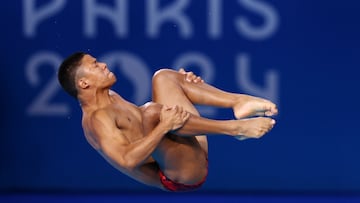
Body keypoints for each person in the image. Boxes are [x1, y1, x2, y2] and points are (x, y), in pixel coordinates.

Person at [57, 52, 278, 192]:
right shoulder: (95, 120)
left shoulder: (111, 97)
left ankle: (238, 102)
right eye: (95, 65)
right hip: (179, 175)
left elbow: (147, 126)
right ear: (84, 83)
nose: (103, 64)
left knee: (164, 77)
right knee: (152, 113)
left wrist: (184, 85)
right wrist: (164, 126)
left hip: (184, 149)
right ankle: (235, 128)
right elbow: (127, 160)